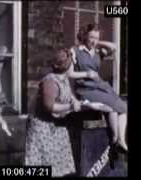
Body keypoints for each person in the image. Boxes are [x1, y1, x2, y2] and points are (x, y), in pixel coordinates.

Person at [67, 23, 128, 153]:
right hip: (86, 90)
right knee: (112, 107)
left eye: (96, 38)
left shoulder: (99, 52)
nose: (94, 41)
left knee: (124, 108)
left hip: (101, 87)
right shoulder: (75, 51)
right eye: (91, 37)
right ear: (84, 36)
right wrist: (86, 74)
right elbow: (69, 74)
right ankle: (115, 138)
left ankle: (120, 140)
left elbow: (114, 47)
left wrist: (98, 42)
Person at [25, 48, 81, 177]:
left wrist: (75, 101)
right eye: (72, 62)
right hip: (42, 129)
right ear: (67, 65)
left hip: (57, 127)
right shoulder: (50, 81)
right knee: (43, 165)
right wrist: (70, 107)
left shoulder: (64, 78)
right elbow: (49, 106)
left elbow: (69, 94)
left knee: (57, 168)